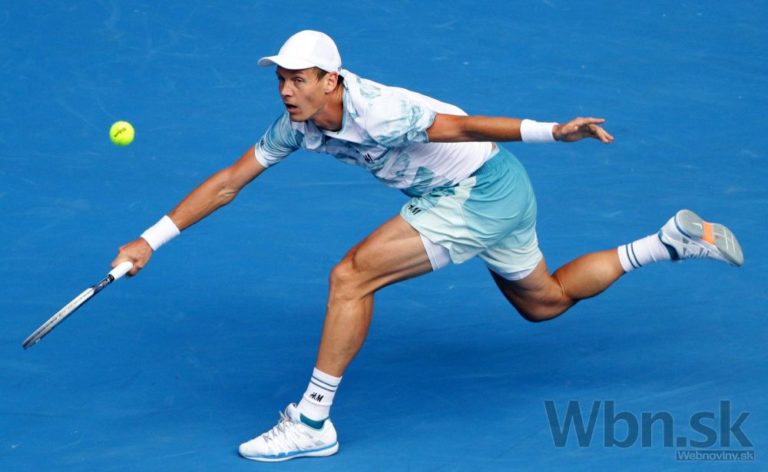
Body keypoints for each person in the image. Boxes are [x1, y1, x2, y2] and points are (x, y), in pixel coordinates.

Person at [112, 30, 744, 462]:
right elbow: (229, 181)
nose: (285, 90)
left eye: (298, 80)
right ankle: (667, 243)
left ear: (330, 80)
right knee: (545, 303)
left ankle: (311, 422)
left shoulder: (380, 111)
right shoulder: (297, 126)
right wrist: (150, 239)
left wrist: (554, 131)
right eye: (280, 79)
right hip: (499, 187)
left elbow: (463, 126)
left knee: (351, 275)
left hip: (478, 190)